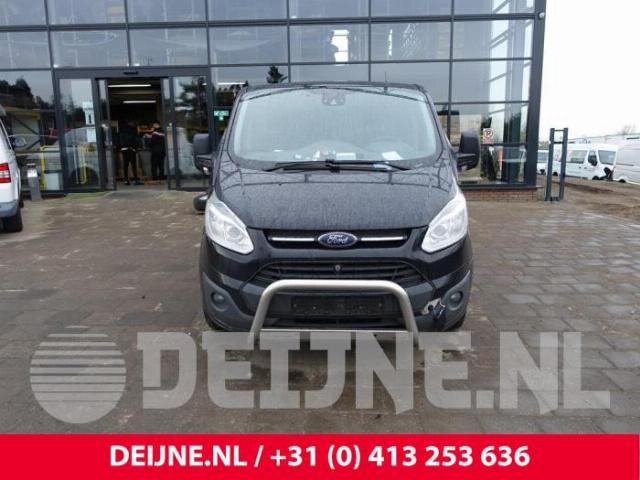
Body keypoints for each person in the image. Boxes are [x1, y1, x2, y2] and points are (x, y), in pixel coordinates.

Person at [119, 120, 143, 185]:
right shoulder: (133, 130)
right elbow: (136, 139)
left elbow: (119, 140)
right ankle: (135, 180)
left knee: (125, 165)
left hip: (124, 149)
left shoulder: (122, 130)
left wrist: (120, 147)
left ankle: (126, 180)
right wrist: (137, 147)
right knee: (133, 165)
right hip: (132, 149)